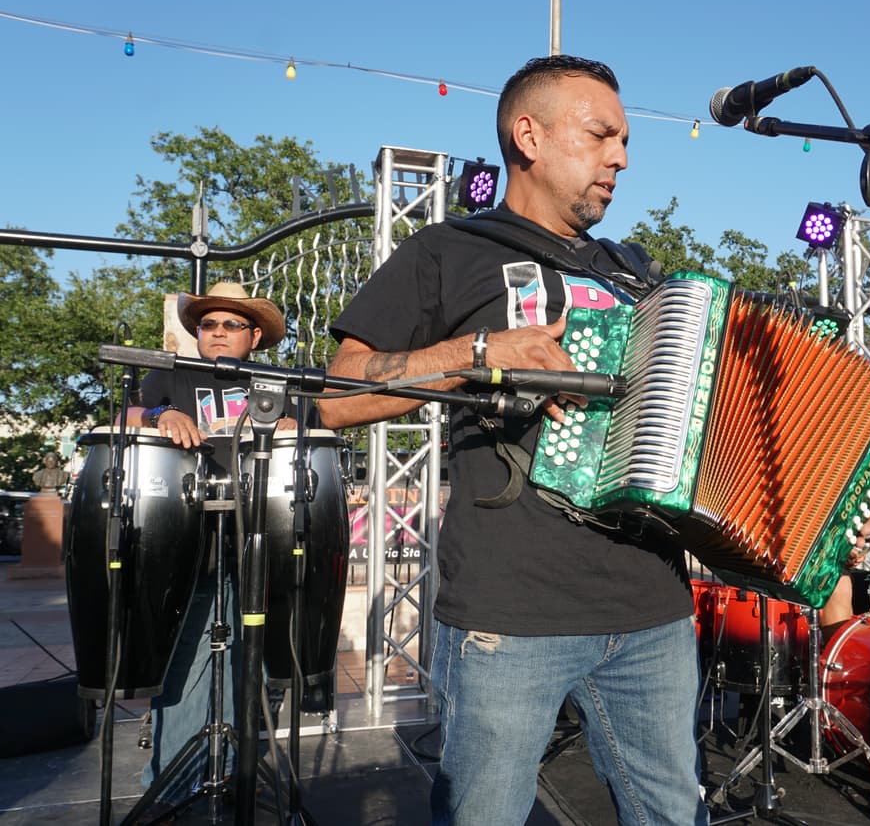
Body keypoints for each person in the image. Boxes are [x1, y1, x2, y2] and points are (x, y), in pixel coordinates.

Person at [319, 55, 710, 825]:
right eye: (601, 135)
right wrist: (478, 354)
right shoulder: (448, 250)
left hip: (653, 605)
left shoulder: (639, 275)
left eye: (625, 141)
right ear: (527, 135)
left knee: (671, 815)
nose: (621, 158)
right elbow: (339, 394)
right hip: (510, 613)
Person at [123, 281, 293, 803]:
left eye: (231, 325)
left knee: (249, 659)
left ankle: (228, 774)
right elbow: (125, 417)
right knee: (187, 662)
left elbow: (308, 434)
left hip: (258, 535)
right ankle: (174, 788)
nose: (217, 333)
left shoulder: (276, 379)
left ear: (255, 334)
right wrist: (159, 415)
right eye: (208, 325)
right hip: (189, 536)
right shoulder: (171, 373)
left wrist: (291, 426)